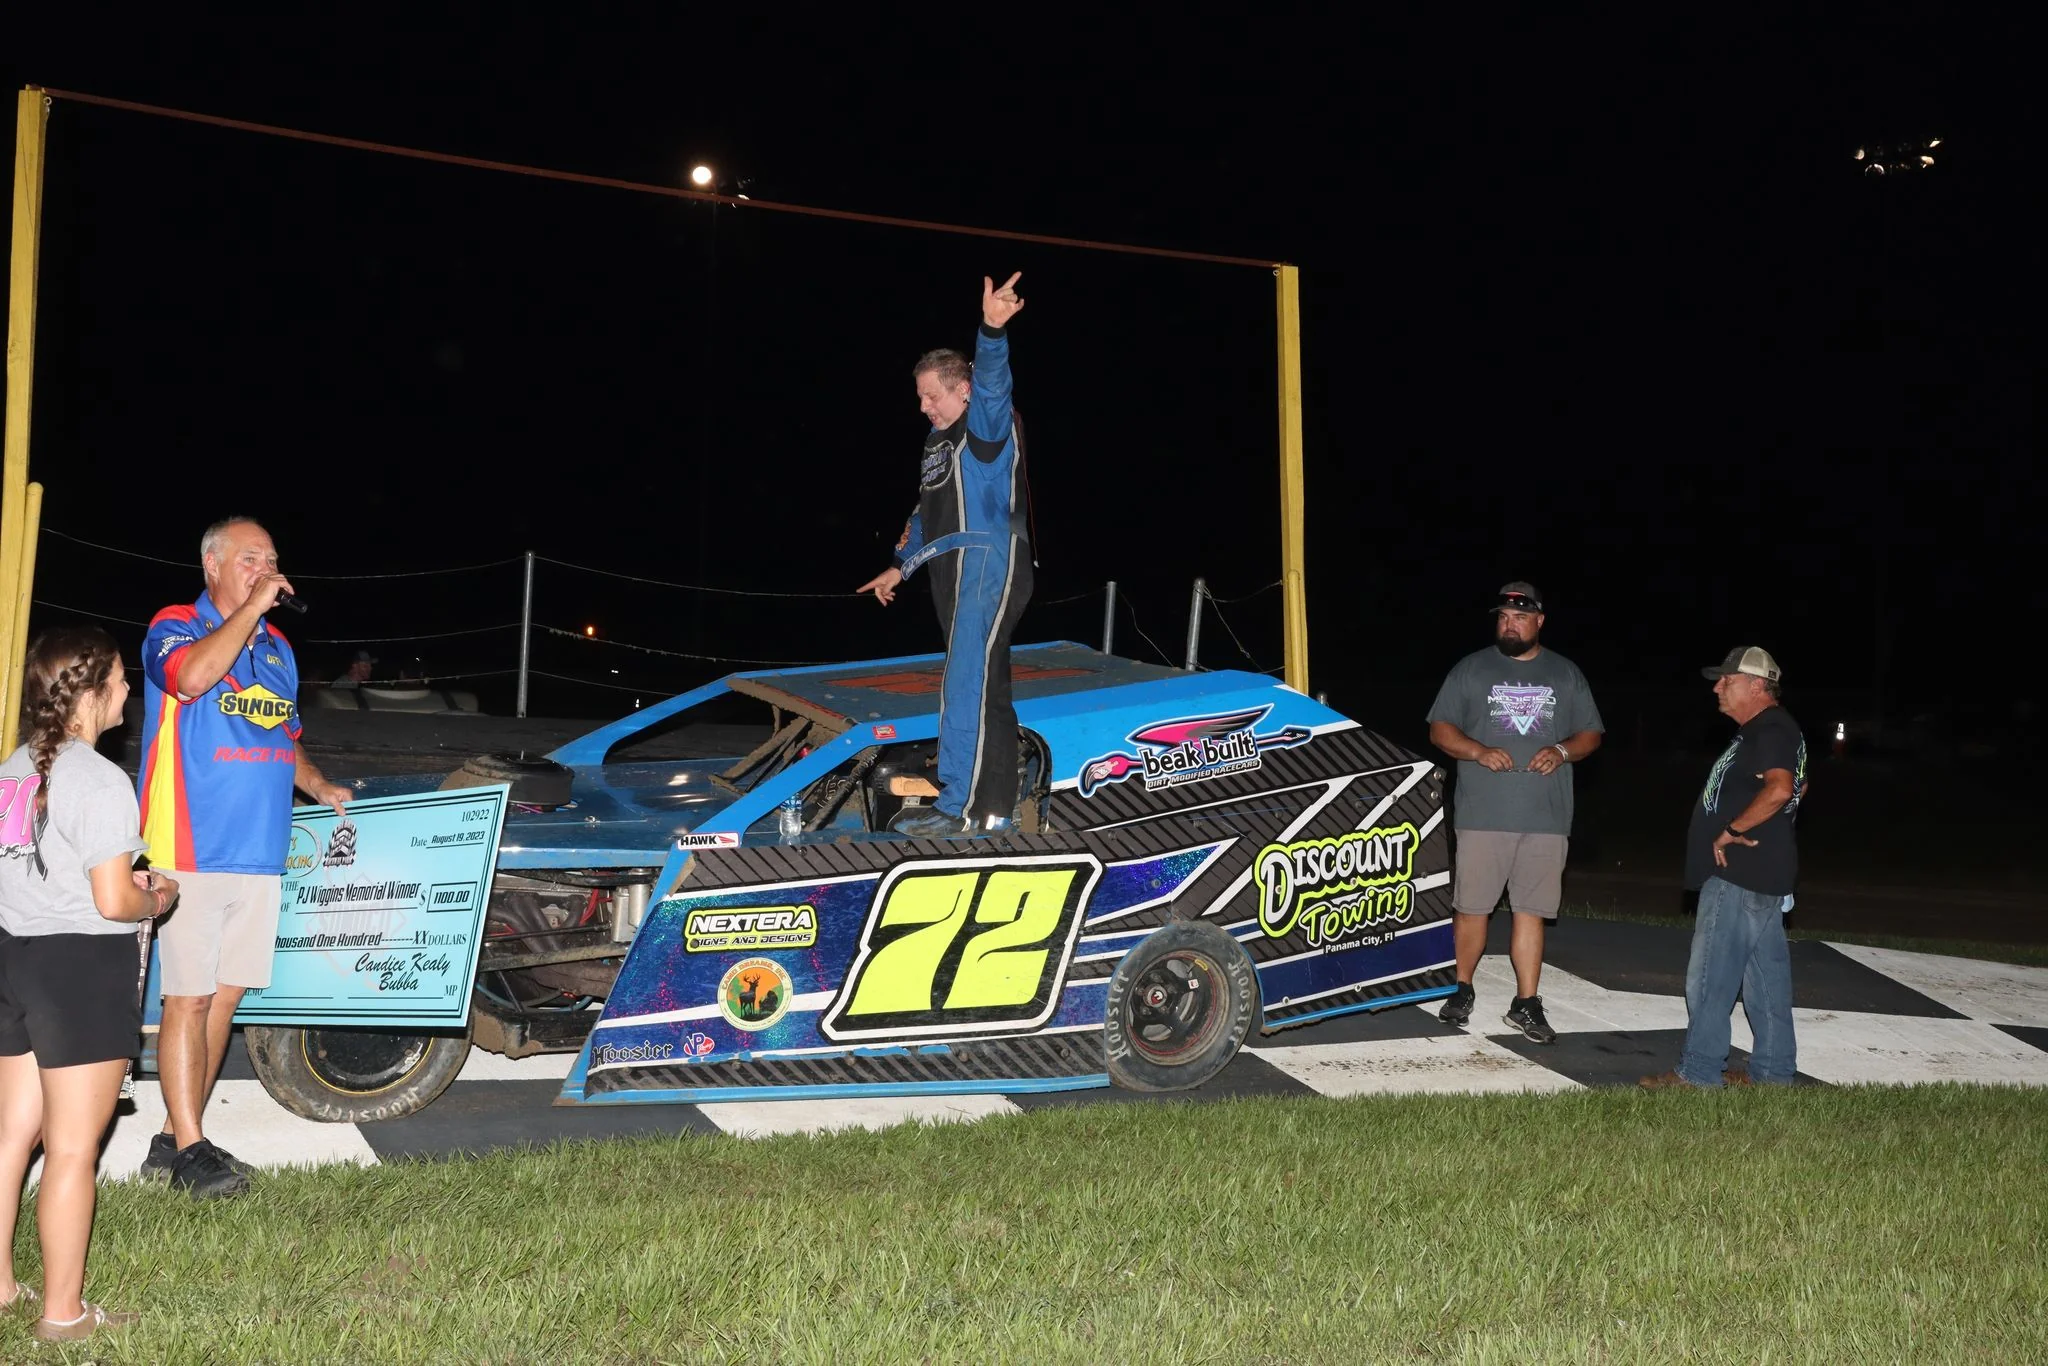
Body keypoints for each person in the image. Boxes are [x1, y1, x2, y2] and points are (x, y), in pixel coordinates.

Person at [135, 517, 351, 1197]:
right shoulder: (175, 624)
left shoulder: (278, 647)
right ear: (213, 567)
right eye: (250, 558)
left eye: (273, 559)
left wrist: (318, 784)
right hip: (188, 847)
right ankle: (193, 1149)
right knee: (188, 1001)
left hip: (259, 851)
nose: (266, 568)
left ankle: (176, 1139)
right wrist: (254, 608)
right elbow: (194, 680)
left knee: (225, 999)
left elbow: (282, 733)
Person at [0, 626, 174, 1342]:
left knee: (10, 1138)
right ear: (92, 691)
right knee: (72, 1149)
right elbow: (112, 902)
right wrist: (155, 896)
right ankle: (64, 1316)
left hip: (14, 957)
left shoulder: (13, 766)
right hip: (80, 971)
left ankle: (2, 1284)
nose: (131, 690)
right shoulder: (102, 781)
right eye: (122, 680)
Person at [858, 273, 1032, 837]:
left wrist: (991, 332)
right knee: (979, 687)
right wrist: (899, 564)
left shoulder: (985, 426)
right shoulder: (937, 445)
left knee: (965, 682)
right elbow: (922, 511)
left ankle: (961, 807)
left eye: (932, 395)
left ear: (962, 390)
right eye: (919, 398)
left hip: (988, 559)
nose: (924, 407)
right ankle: (989, 805)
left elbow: (994, 388)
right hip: (946, 566)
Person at [1426, 582, 1605, 1042]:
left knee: (1532, 911)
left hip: (1546, 818)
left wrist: (1563, 751)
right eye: (1504, 616)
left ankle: (1526, 1003)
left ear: (1539, 620)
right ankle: (1461, 987)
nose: (1510, 623)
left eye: (1520, 617)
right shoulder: (1471, 669)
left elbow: (1591, 734)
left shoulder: (1565, 674)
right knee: (1472, 908)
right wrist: (1477, 750)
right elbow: (1440, 729)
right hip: (1482, 814)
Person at [1641, 647, 1807, 1089]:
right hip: (1762, 872)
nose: (1717, 687)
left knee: (1711, 975)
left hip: (1740, 872)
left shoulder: (1770, 727)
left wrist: (1732, 829)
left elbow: (1781, 789)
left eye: (1726, 680)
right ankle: (1772, 1073)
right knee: (1765, 981)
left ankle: (1698, 1072)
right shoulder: (1771, 731)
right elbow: (1801, 786)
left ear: (1757, 686)